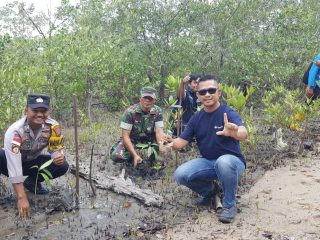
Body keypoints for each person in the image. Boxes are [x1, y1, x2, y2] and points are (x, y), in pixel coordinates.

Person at [167, 75, 248, 223]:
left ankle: (229, 205)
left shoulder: (228, 113)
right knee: (180, 174)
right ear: (197, 95)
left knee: (223, 162)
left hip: (232, 162)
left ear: (219, 92)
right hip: (209, 163)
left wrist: (234, 132)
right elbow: (181, 142)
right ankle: (210, 192)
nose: (207, 94)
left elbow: (243, 133)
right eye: (203, 92)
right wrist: (169, 143)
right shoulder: (196, 118)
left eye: (211, 90)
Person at [0, 93, 68, 218]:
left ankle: (31, 182)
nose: (40, 114)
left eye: (44, 111)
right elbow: (14, 166)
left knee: (63, 165)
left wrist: (58, 155)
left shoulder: (53, 127)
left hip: (31, 162)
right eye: (35, 110)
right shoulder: (15, 131)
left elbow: (54, 149)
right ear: (26, 110)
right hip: (8, 163)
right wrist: (22, 197)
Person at [110, 87, 165, 168]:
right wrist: (135, 155)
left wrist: (161, 146)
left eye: (150, 98)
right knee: (116, 155)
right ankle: (130, 161)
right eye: (145, 97)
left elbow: (159, 131)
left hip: (150, 141)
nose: (147, 100)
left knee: (165, 144)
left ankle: (153, 162)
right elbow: (125, 136)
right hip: (133, 140)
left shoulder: (158, 111)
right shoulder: (130, 112)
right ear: (140, 98)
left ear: (154, 100)